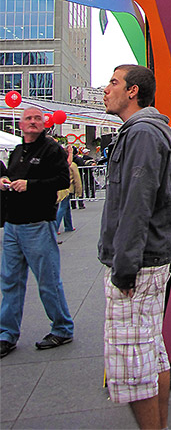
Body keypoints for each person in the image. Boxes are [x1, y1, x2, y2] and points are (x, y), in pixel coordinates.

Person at [99, 65, 171, 429]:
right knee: (150, 353)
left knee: (134, 366)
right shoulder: (141, 131)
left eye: (114, 82)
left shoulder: (142, 132)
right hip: (146, 258)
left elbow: (137, 201)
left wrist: (124, 265)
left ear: (133, 91)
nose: (106, 88)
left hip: (139, 262)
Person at [0, 107, 74, 358]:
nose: (33, 122)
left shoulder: (52, 149)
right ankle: (6, 334)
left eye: (37, 119)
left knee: (48, 281)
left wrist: (30, 185)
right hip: (12, 225)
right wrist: (6, 182)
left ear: (44, 124)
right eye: (28, 118)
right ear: (20, 124)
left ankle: (62, 328)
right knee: (10, 281)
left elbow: (64, 181)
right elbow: (14, 176)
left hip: (37, 224)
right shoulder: (18, 151)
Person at [56, 145, 77, 235]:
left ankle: (69, 225)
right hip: (62, 186)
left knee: (66, 206)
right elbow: (68, 162)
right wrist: (71, 152)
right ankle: (55, 227)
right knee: (63, 206)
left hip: (61, 186)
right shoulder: (59, 160)